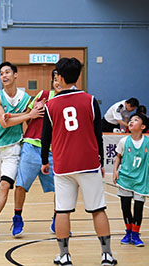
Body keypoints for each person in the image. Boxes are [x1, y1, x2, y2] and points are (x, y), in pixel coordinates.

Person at [41, 57, 117, 266]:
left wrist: (43, 161)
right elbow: (97, 134)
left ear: (60, 76)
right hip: (89, 163)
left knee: (62, 210)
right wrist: (100, 162)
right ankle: (107, 255)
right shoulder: (90, 100)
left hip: (64, 164)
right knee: (98, 209)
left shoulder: (51, 104)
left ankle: (64, 256)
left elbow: (45, 137)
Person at [0, 62, 44, 239]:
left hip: (14, 146)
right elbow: (3, 122)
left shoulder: (26, 99)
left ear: (15, 75)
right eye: (1, 73)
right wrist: (26, 115)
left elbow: (30, 117)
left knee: (5, 185)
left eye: (7, 72)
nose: (4, 76)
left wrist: (27, 115)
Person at [12, 69, 62, 236]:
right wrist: (33, 112)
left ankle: (57, 219)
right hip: (32, 145)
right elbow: (25, 115)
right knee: (20, 185)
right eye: (54, 79)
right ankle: (17, 217)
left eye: (60, 79)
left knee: (61, 189)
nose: (57, 82)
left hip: (55, 150)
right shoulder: (43, 94)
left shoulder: (70, 101)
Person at [113, 113, 148, 247]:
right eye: (131, 119)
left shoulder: (147, 143)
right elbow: (118, 157)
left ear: (143, 127)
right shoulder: (124, 141)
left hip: (141, 181)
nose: (132, 121)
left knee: (138, 209)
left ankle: (135, 234)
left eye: (136, 120)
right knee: (125, 208)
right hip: (125, 179)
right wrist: (115, 171)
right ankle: (128, 232)